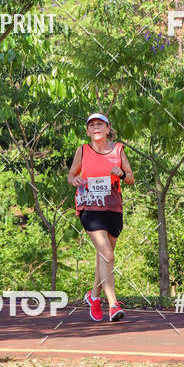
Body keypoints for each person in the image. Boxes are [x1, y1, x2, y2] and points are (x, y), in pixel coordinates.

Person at [67, 113, 134, 322]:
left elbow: (131, 178)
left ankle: (94, 297)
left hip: (113, 209)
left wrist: (121, 173)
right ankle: (113, 305)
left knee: (104, 257)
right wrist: (75, 179)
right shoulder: (83, 150)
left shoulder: (118, 150)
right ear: (88, 131)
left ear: (107, 128)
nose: (96, 128)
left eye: (100, 124)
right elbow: (71, 175)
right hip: (90, 208)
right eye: (92, 125)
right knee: (107, 254)